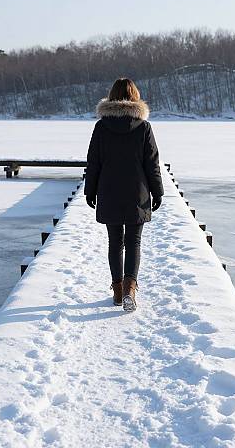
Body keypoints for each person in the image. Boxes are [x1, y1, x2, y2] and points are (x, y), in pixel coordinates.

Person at [84, 78, 164, 312]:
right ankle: (130, 289)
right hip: (136, 192)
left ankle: (118, 292)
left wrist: (90, 190)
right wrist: (157, 191)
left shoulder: (101, 127)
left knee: (115, 242)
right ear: (135, 96)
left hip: (109, 191)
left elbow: (94, 162)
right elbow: (152, 163)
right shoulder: (143, 127)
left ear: (111, 97)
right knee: (133, 242)